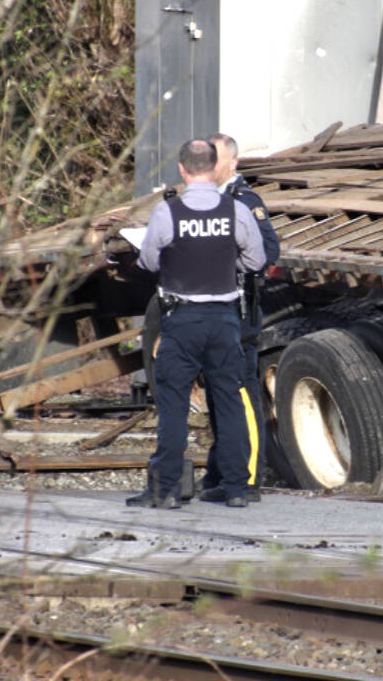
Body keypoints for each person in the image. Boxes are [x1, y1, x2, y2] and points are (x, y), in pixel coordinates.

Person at [128, 139, 266, 509]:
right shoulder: (235, 210)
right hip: (224, 321)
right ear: (214, 165)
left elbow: (149, 262)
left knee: (172, 403)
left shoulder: (167, 212)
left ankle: (165, 489)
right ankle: (237, 488)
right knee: (229, 401)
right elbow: (255, 261)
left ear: (183, 169)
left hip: (183, 319)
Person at [199, 133, 280, 503]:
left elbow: (268, 250)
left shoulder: (245, 202)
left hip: (239, 312)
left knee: (241, 394)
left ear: (232, 163)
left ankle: (247, 477)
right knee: (219, 397)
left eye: (212, 159)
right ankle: (220, 470)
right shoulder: (203, 201)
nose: (206, 166)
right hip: (213, 310)